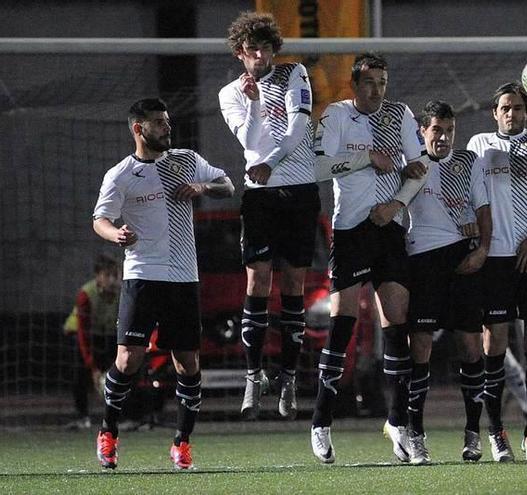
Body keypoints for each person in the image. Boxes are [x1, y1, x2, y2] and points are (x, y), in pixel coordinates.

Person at [92, 98, 234, 470]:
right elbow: (100, 219)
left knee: (187, 362)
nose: (166, 128)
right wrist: (115, 234)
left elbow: (228, 185)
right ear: (138, 129)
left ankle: (181, 442)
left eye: (167, 121)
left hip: (183, 277)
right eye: (158, 123)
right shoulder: (120, 174)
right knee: (129, 359)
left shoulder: (185, 160)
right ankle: (108, 432)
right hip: (142, 275)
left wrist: (202, 187)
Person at [308, 52, 432, 464]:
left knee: (397, 322)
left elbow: (420, 167)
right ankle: (321, 421)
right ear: (354, 85)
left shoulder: (399, 114)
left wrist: (396, 205)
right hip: (351, 230)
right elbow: (317, 165)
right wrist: (366, 158)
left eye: (383, 82)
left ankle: (400, 424)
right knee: (343, 323)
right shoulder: (338, 115)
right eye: (370, 83)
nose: (378, 90)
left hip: (390, 227)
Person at [219, 11, 319, 420]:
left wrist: (271, 162)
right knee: (258, 279)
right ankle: (252, 375)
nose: (258, 56)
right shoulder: (230, 93)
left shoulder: (294, 74)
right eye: (250, 50)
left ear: (274, 49)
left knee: (294, 282)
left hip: (298, 189)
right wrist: (256, 104)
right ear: (240, 53)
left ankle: (289, 378)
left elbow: (298, 128)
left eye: (264, 48)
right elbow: (249, 140)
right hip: (259, 195)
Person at [466, 82, 527, 461]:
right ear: (495, 113)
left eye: (518, 107)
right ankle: (497, 434)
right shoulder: (480, 145)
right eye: (505, 108)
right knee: (496, 344)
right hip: (497, 259)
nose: (512, 113)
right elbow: (474, 195)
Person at [401, 101, 492, 464]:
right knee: (419, 346)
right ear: (424, 131)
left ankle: (473, 434)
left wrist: (483, 249)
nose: (443, 137)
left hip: (463, 259)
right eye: (437, 129)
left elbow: (483, 208)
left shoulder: (468, 162)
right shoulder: (413, 163)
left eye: (449, 130)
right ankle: (415, 434)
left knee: (471, 347)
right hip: (422, 261)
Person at [62, 254, 121, 430]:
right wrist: (93, 368)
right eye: (107, 275)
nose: (112, 280)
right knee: (80, 373)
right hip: (78, 335)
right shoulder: (86, 295)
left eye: (115, 275)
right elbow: (83, 334)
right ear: (98, 276)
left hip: (107, 335)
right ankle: (82, 416)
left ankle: (125, 416)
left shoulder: (123, 294)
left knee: (123, 371)